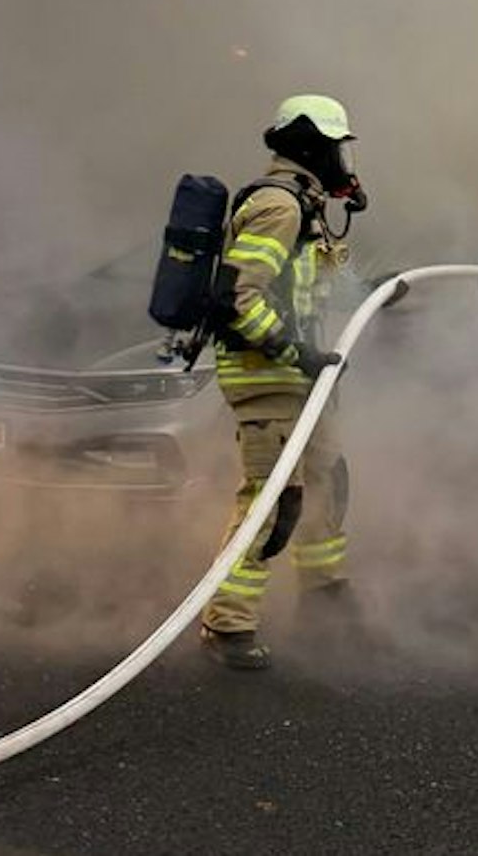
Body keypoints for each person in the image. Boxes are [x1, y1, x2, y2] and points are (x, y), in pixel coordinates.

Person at [198, 93, 368, 671]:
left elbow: (314, 288)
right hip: (267, 379)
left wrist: (376, 292)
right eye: (334, 149)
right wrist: (297, 352)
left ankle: (325, 593)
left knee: (325, 480)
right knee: (272, 500)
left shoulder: (304, 206)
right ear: (309, 147)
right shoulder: (280, 207)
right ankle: (228, 623)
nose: (343, 162)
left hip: (297, 381)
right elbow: (240, 298)